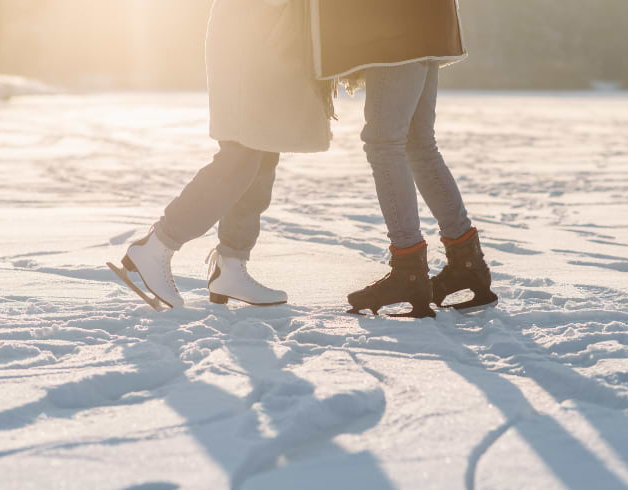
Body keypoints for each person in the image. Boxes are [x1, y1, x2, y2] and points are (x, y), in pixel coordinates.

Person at [109, 0, 331, 310]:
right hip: (249, 37)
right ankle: (158, 245)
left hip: (274, 37)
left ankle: (232, 266)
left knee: (263, 155)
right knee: (240, 157)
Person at [310, 0, 498, 318]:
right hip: (426, 23)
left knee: (385, 144)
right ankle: (466, 263)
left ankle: (408, 272)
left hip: (393, 27)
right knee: (419, 144)